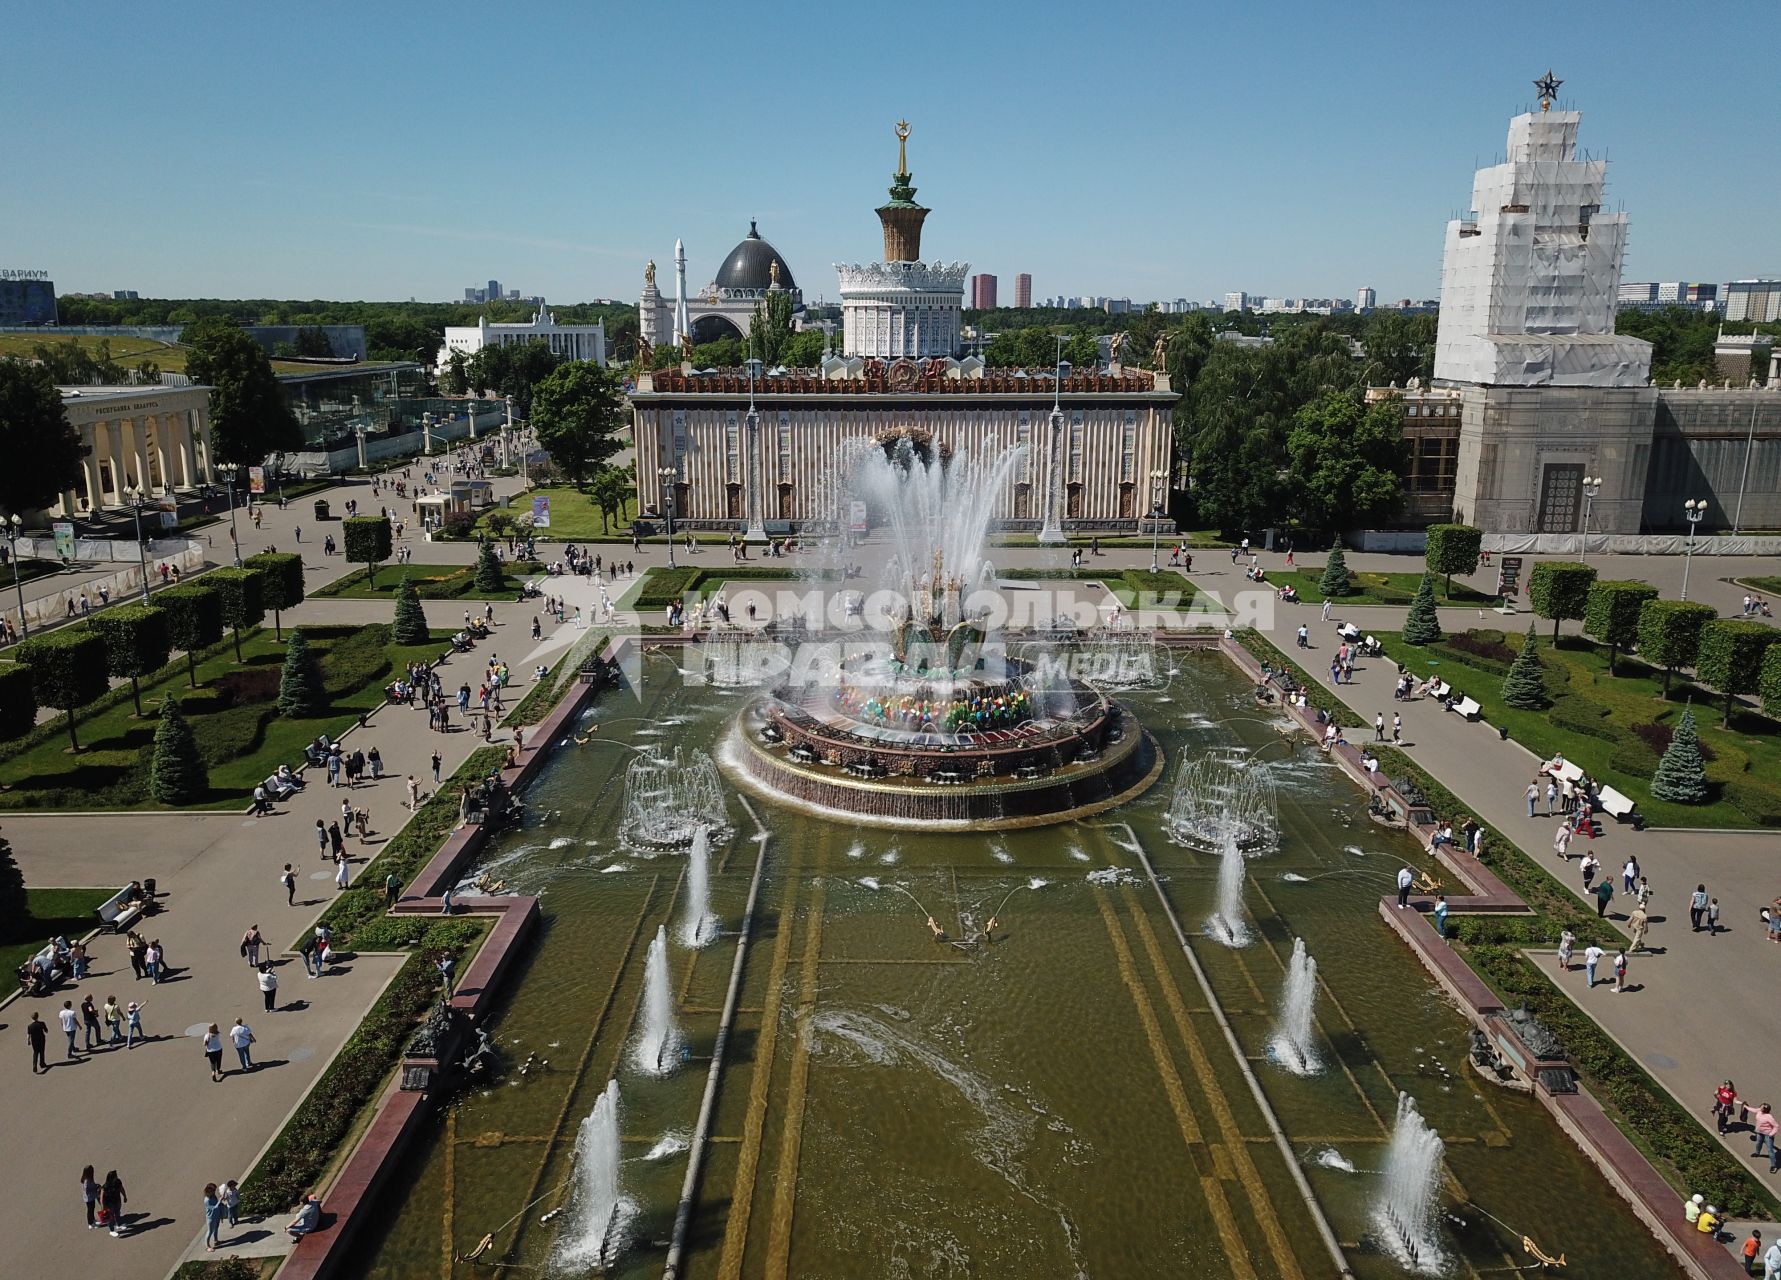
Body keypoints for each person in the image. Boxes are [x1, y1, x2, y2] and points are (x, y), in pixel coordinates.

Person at [100, 1171, 127, 1237]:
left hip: (117, 1200)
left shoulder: (118, 1182)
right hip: (109, 1203)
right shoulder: (105, 1186)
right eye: (115, 1176)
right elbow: (101, 1197)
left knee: (117, 1213)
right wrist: (103, 1207)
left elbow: (121, 1189)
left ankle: (118, 1225)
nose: (116, 1177)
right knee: (110, 1217)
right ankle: (111, 1230)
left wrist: (124, 1196)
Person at [204, 1182, 225, 1250]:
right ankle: (207, 1246)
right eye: (213, 1191)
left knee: (216, 1228)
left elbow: (217, 1205)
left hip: (216, 1215)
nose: (214, 1192)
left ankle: (216, 1241)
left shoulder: (213, 1196)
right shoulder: (207, 1200)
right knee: (210, 1231)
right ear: (209, 1192)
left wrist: (221, 1204)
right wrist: (220, 1201)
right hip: (211, 1218)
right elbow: (213, 1208)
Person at [81, 1165, 101, 1229]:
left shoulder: (87, 1178)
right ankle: (90, 1223)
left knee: (92, 1208)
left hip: (91, 1197)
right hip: (88, 1198)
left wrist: (95, 1185)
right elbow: (87, 1189)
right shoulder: (86, 1180)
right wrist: (95, 1189)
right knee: (90, 1210)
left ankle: (93, 1220)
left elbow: (91, 1185)